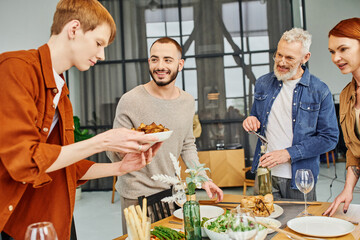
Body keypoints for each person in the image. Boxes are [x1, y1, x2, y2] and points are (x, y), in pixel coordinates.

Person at [0, 1, 162, 239]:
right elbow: (24, 161)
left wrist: (120, 167)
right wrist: (104, 141)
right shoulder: (15, 69)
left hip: (55, 218)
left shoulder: (61, 91)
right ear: (74, 29)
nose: (102, 55)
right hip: (18, 222)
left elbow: (64, 164)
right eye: (99, 43)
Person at [107, 37, 224, 233]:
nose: (160, 66)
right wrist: (132, 145)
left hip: (173, 194)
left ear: (180, 64)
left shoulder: (187, 101)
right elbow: (113, 153)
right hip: (137, 196)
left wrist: (204, 179)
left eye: (167, 60)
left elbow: (187, 145)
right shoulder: (130, 100)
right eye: (154, 59)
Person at [242, 28, 339, 200]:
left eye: (289, 58)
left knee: (299, 225)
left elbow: (329, 138)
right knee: (265, 224)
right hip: (265, 175)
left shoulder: (320, 91)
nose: (281, 62)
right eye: (279, 55)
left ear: (305, 58)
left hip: (301, 178)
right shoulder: (263, 83)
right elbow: (256, 118)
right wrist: (251, 120)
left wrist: (288, 153)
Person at [324, 17, 360, 217]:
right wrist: (347, 189)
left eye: (343, 49)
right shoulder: (346, 94)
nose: (335, 58)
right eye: (332, 51)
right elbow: (354, 150)